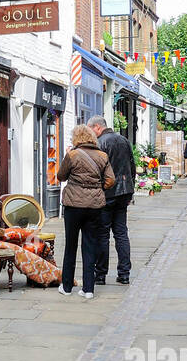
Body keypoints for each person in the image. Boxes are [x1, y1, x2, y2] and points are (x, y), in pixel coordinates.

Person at [56, 124, 115, 298]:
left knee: (71, 246)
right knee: (90, 246)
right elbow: (111, 180)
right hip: (94, 205)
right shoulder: (102, 156)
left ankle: (67, 287)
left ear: (76, 138)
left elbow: (61, 176)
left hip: (73, 205)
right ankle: (88, 289)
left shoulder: (72, 155)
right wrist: (98, 187)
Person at [89, 115, 135, 286]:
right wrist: (131, 189)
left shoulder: (100, 143)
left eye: (91, 129)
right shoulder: (123, 140)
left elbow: (97, 171)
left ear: (97, 127)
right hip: (124, 192)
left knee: (102, 235)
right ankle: (124, 273)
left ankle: (100, 274)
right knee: (121, 233)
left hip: (107, 193)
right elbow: (132, 166)